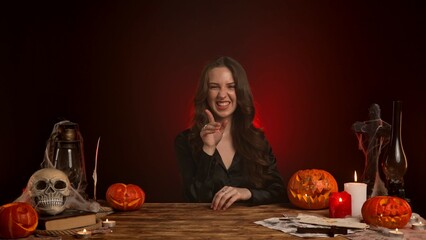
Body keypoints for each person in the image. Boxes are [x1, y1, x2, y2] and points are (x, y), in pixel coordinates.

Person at [174, 56, 286, 210]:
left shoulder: (257, 140)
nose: (222, 94)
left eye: (231, 86)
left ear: (240, 92)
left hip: (251, 230)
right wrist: (208, 149)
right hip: (204, 231)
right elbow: (194, 200)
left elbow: (279, 192)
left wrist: (247, 193)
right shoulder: (184, 141)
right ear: (205, 93)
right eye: (214, 87)